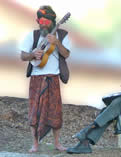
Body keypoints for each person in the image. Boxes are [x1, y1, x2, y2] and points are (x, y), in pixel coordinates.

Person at [19, 5, 70, 152]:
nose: (41, 24)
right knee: (34, 112)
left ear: (53, 22)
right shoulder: (32, 36)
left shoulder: (62, 35)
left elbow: (66, 54)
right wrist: (33, 55)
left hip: (53, 78)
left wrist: (56, 43)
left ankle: (57, 143)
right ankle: (35, 144)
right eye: (39, 21)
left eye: (45, 22)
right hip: (36, 78)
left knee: (55, 112)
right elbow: (23, 56)